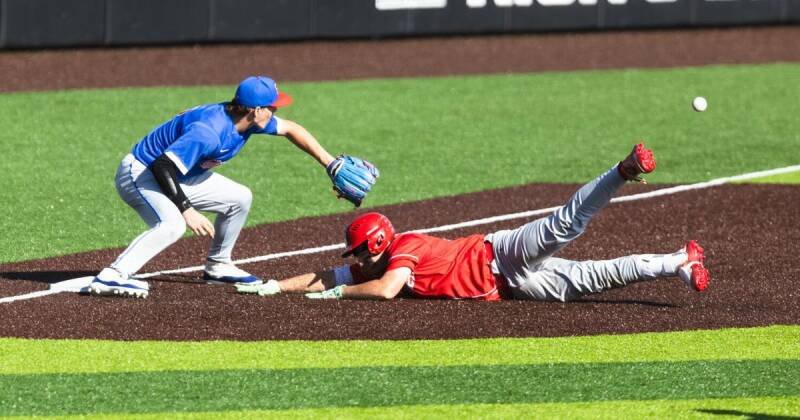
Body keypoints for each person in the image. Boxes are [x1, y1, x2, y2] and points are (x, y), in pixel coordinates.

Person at [237, 143, 710, 301]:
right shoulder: (378, 262)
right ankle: (677, 262)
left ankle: (622, 170)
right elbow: (328, 275)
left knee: (565, 226)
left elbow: (382, 290)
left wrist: (342, 293)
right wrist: (279, 285)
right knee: (592, 279)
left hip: (500, 252)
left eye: (360, 250)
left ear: (378, 242)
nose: (356, 259)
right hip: (509, 286)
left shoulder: (404, 251)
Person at [90, 76, 372, 299]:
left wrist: (329, 163)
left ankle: (218, 265)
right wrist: (187, 210)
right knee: (173, 224)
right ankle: (113, 274)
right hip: (141, 173)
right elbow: (162, 166)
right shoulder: (210, 131)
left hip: (180, 175)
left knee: (239, 198)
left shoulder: (247, 121)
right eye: (272, 107)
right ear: (254, 110)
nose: (275, 112)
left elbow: (292, 129)